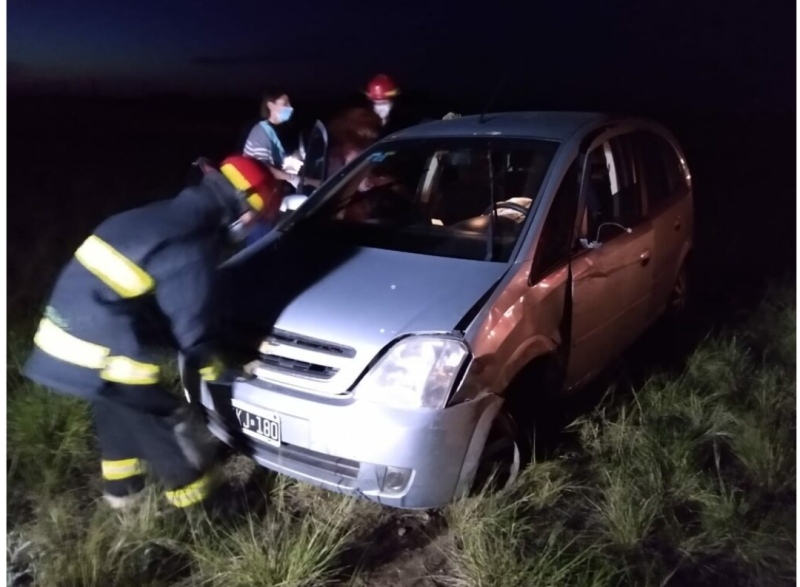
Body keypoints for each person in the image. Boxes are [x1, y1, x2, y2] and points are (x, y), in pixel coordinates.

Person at [22, 155, 281, 513]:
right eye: (258, 218)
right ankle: (212, 511)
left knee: (116, 407)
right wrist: (223, 371)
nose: (252, 227)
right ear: (244, 211)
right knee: (168, 420)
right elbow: (193, 333)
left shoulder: (163, 216)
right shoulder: (193, 244)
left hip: (59, 336)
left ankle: (123, 494)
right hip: (101, 344)